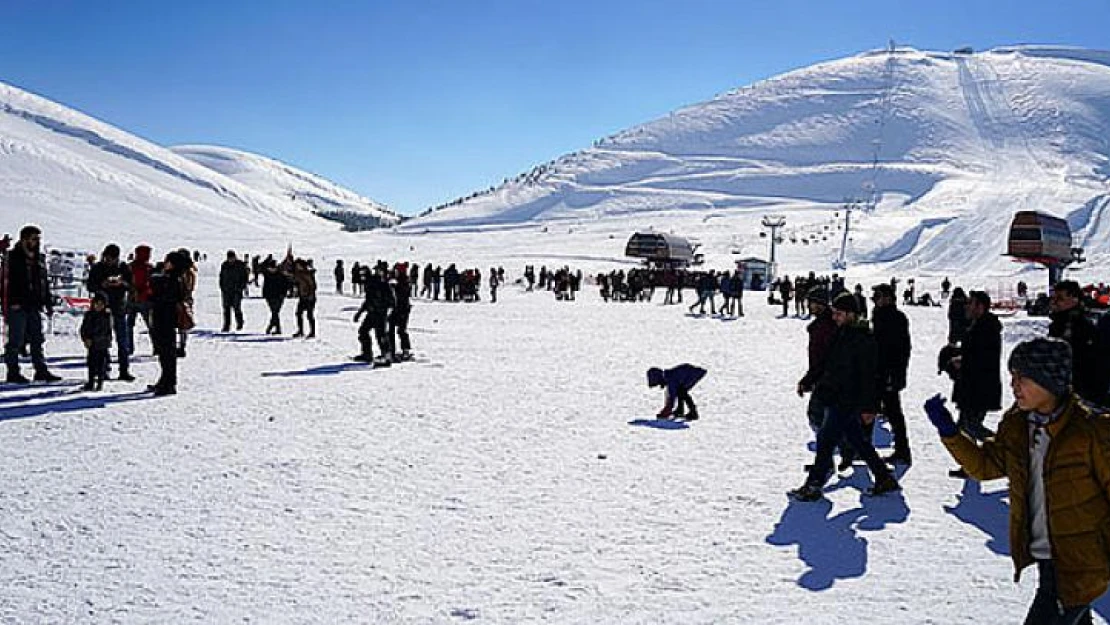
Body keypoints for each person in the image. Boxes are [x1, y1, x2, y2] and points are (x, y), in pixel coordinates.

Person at [926, 338, 1110, 624]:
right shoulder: (1017, 424)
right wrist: (950, 432)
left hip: (1081, 561)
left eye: (1021, 378)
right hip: (1047, 555)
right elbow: (986, 467)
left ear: (1048, 382)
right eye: (1012, 377)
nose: (1013, 386)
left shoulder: (1091, 430)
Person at [789, 293, 900, 501]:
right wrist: (807, 380)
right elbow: (825, 362)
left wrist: (870, 407)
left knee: (825, 439)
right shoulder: (842, 333)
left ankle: (814, 485)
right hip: (835, 395)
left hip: (848, 399)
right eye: (834, 313)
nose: (835, 317)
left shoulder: (864, 339)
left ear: (851, 314)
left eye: (839, 314)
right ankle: (884, 477)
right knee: (857, 439)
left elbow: (870, 376)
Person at [2, 225, 60, 384]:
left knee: (37, 339)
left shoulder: (39, 259)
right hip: (17, 305)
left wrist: (48, 302)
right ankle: (13, 372)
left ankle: (40, 370)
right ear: (24, 239)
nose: (36, 242)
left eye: (38, 239)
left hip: (34, 304)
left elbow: (44, 282)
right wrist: (10, 303)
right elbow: (5, 283)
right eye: (34, 238)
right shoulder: (11, 258)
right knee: (15, 341)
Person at [871, 284, 913, 466]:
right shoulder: (879, 315)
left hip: (888, 374)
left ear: (888, 297)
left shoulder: (896, 318)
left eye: (878, 296)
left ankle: (903, 450)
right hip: (878, 371)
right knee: (875, 409)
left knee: (893, 413)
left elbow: (901, 350)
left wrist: (894, 375)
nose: (875, 299)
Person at [86, 243, 134, 381]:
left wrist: (121, 284)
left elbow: (130, 285)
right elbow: (90, 285)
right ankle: (103, 370)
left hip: (119, 307)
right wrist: (102, 284)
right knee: (102, 341)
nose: (110, 261)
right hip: (102, 309)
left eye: (112, 259)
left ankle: (124, 370)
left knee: (122, 341)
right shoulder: (98, 268)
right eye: (108, 258)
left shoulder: (123, 267)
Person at [1048, 281, 1101, 403]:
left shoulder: (1082, 325)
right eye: (1053, 298)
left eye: (1060, 298)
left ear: (1075, 299)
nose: (1054, 302)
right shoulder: (1058, 324)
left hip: (1082, 393)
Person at [148, 251, 186, 396]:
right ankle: (165, 380)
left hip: (166, 318)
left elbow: (163, 296)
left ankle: (169, 383)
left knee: (167, 352)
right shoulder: (170, 277)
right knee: (164, 352)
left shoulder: (174, 279)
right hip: (163, 317)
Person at [353, 263, 395, 366]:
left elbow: (392, 301)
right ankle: (367, 354)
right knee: (363, 331)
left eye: (363, 274)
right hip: (372, 313)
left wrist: (383, 309)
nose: (362, 276)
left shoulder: (381, 283)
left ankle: (386, 357)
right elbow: (368, 300)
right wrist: (359, 313)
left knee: (381, 335)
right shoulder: (369, 283)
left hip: (380, 314)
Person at [80, 292, 112, 391]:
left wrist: (106, 340)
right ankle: (90, 382)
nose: (99, 306)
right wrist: (85, 339)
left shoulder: (106, 316)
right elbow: (83, 328)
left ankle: (100, 383)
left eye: (101, 304)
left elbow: (108, 330)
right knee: (91, 364)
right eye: (97, 304)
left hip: (102, 344)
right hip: (92, 344)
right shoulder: (89, 315)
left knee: (101, 365)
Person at [127, 244, 154, 355]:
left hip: (132, 298)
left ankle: (129, 347)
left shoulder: (130, 266)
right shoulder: (149, 268)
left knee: (129, 325)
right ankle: (156, 346)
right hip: (145, 300)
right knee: (151, 325)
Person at [219, 250, 249, 332]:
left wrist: (241, 287)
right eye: (229, 258)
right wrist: (222, 287)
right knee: (226, 309)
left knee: (236, 308)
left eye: (232, 258)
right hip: (226, 291)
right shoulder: (224, 265)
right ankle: (226, 326)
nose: (230, 260)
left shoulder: (240, 265)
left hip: (237, 291)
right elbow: (221, 276)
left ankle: (240, 323)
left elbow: (245, 277)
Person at [389, 264, 412, 360]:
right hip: (401, 308)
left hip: (401, 309)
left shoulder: (403, 281)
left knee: (398, 330)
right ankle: (403, 350)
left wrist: (394, 287)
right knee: (400, 330)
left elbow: (402, 294)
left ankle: (399, 351)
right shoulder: (403, 279)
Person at [261, 258, 289, 335]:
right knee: (274, 312)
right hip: (269, 296)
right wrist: (267, 259)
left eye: (272, 268)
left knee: (275, 312)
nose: (271, 270)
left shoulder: (281, 275)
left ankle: (273, 327)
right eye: (269, 268)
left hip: (279, 296)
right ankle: (276, 328)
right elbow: (260, 267)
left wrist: (284, 293)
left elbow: (286, 284)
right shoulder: (267, 274)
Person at [292, 258, 317, 338]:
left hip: (310, 297)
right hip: (303, 297)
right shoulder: (299, 273)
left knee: (309, 315)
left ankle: (312, 332)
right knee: (299, 313)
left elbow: (313, 286)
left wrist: (309, 294)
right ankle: (301, 331)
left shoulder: (307, 274)